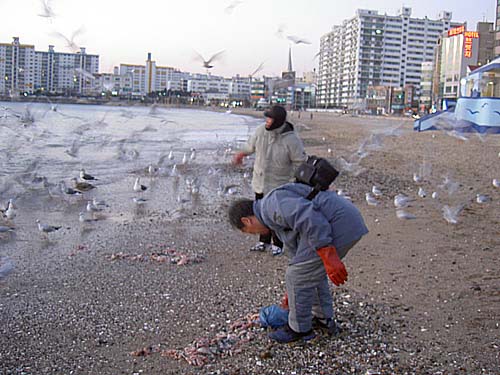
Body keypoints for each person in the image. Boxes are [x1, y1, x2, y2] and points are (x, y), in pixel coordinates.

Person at [228, 182, 368, 343]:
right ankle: (322, 319)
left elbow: (310, 217)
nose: (252, 234)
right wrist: (291, 293)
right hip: (344, 221)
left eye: (247, 232)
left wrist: (328, 254)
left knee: (296, 276)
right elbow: (298, 256)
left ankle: (299, 329)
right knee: (305, 273)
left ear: (247, 221)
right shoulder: (271, 215)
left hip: (339, 224)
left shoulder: (272, 205)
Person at [233, 105, 306, 256]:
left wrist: (294, 182)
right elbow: (249, 146)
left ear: (278, 121)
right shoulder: (260, 131)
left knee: (277, 217)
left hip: (279, 186)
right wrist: (241, 154)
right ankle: (263, 241)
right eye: (266, 117)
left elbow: (300, 162)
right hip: (259, 183)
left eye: (270, 118)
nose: (267, 121)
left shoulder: (292, 139)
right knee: (259, 214)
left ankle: (278, 244)